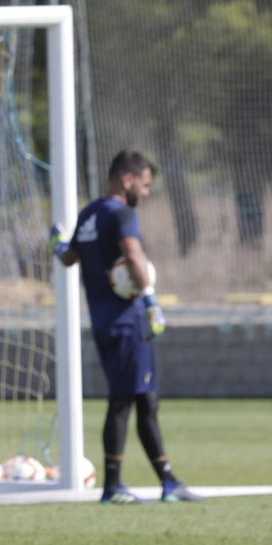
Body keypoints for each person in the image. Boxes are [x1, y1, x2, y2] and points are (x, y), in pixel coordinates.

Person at [52, 151, 202, 505]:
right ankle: (113, 486)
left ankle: (167, 481)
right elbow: (134, 257)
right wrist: (152, 304)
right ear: (127, 179)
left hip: (104, 322)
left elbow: (68, 257)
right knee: (124, 401)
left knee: (144, 399)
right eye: (145, 185)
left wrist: (57, 243)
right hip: (127, 320)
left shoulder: (89, 213)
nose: (146, 193)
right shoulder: (121, 213)